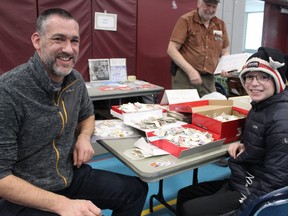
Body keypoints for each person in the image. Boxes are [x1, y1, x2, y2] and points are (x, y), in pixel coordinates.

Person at [0, 8, 148, 216]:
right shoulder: (8, 91)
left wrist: (84, 137)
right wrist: (61, 204)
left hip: (68, 176)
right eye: (59, 39)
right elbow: (1, 178)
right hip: (25, 194)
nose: (68, 49)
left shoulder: (75, 80)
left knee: (135, 191)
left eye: (75, 41)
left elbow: (87, 114)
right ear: (37, 41)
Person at [175, 46, 288, 216]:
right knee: (185, 195)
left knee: (190, 210)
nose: (254, 83)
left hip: (254, 189)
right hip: (243, 178)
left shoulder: (281, 119)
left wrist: (243, 212)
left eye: (263, 77)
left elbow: (275, 180)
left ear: (277, 80)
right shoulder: (261, 106)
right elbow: (262, 141)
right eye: (249, 77)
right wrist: (244, 144)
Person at [167, 0, 231, 98]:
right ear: (199, 3)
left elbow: (225, 51)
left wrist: (225, 65)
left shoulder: (220, 25)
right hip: (185, 77)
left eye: (214, 7)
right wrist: (191, 71)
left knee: (210, 110)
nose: (211, 10)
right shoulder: (186, 20)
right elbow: (171, 49)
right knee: (184, 110)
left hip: (208, 79)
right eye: (208, 5)